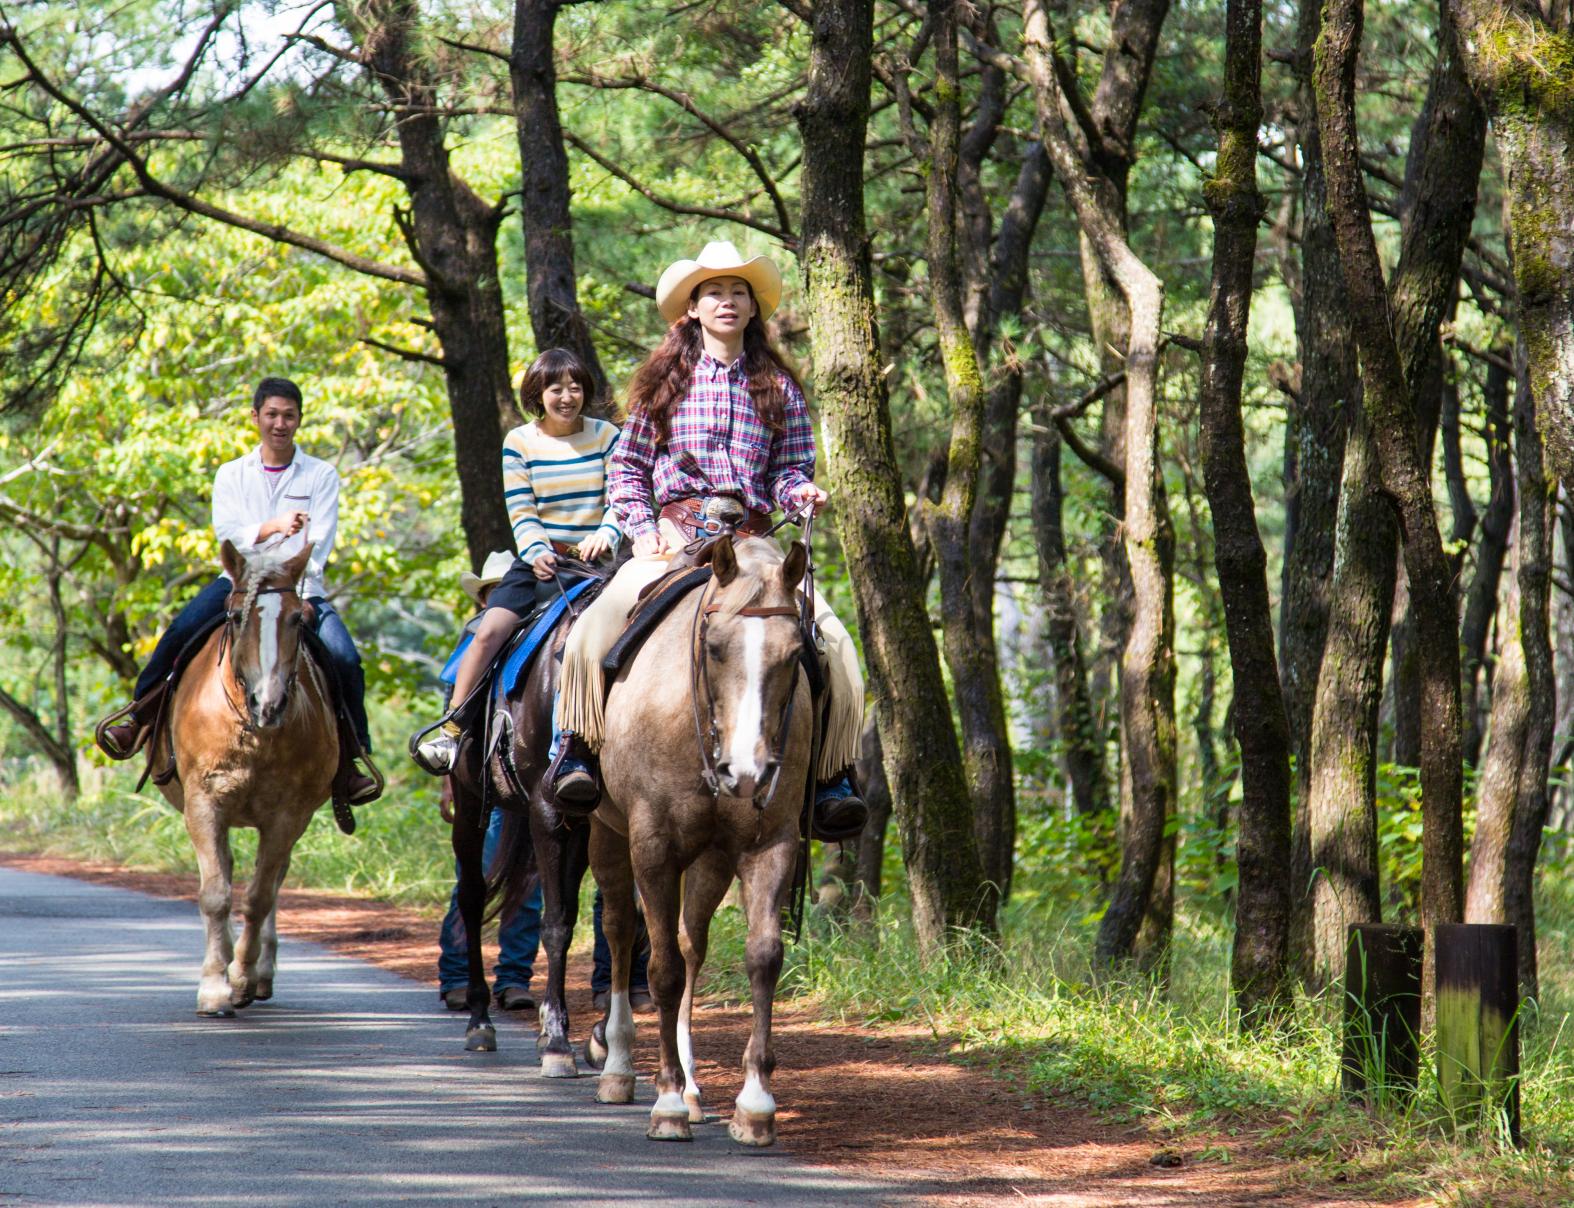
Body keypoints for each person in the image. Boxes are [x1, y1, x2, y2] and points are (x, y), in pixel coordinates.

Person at [549, 240, 866, 835]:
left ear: (753, 308)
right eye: (714, 292)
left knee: (838, 647)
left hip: (752, 540)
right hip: (674, 534)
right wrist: (642, 532)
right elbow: (627, 468)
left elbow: (791, 469)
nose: (727, 300)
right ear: (691, 308)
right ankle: (577, 751)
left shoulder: (781, 387)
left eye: (738, 291)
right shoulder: (660, 381)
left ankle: (831, 779)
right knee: (593, 628)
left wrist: (803, 497)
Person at [96, 377, 379, 805]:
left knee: (344, 658)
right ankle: (138, 718)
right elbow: (228, 536)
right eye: (272, 415)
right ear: (256, 417)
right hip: (237, 584)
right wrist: (273, 528)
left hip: (298, 586)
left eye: (289, 415)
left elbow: (318, 542)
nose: (280, 423)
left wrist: (286, 569)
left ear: (300, 420)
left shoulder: (322, 475)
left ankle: (352, 759)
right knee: (181, 631)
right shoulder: (231, 474)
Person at [412, 348, 621, 779]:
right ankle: (452, 729)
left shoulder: (606, 436)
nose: (568, 396)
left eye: (576, 386)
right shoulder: (520, 442)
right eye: (556, 388)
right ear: (538, 393)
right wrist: (536, 550)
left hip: (600, 562)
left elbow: (620, 497)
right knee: (488, 631)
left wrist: (608, 532)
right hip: (540, 560)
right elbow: (521, 508)